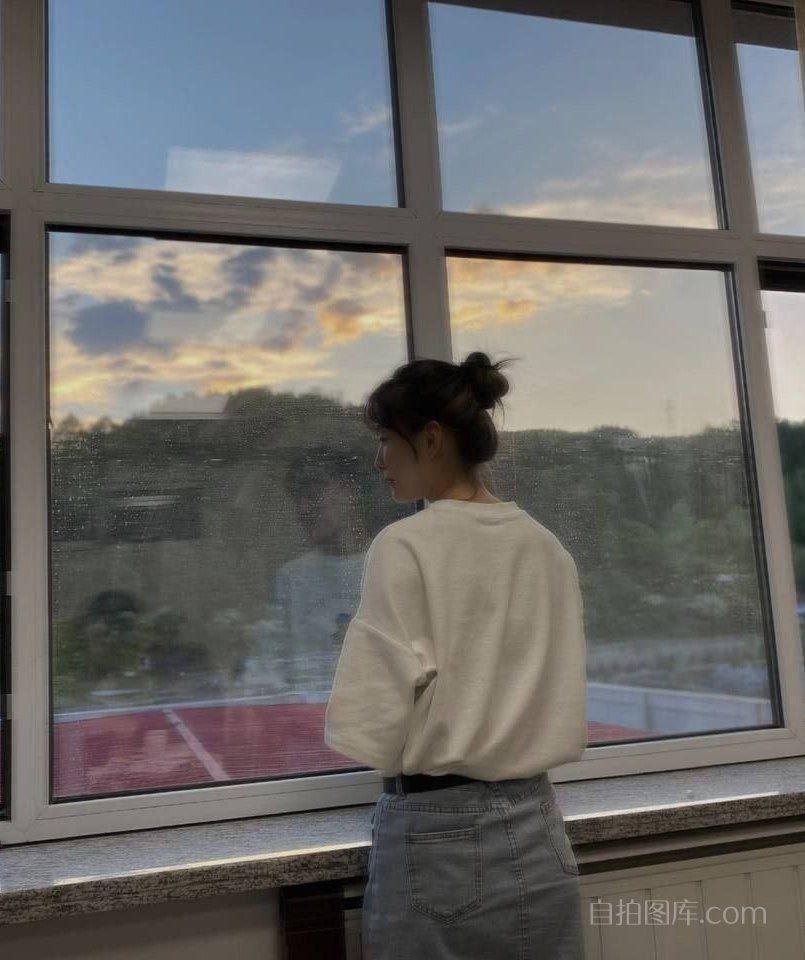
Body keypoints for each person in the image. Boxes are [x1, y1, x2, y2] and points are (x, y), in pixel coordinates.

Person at [323, 351, 588, 959]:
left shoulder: (405, 546)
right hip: (541, 828)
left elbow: (368, 724)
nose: (379, 460)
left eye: (387, 441)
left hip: (437, 843)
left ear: (431, 439)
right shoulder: (547, 548)